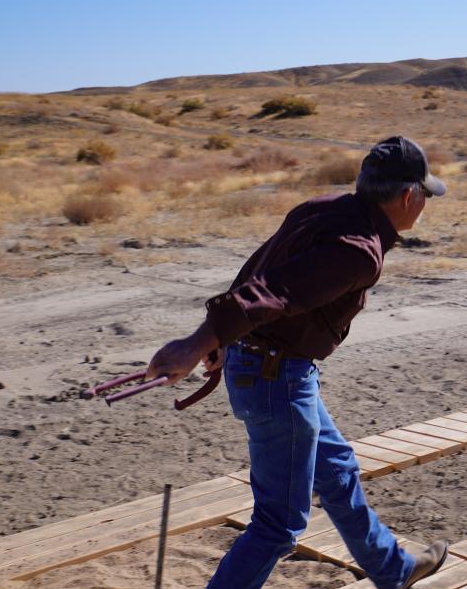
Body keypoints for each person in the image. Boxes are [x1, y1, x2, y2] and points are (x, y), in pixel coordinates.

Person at [147, 136, 449, 589]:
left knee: (338, 469)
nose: (424, 204)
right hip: (276, 378)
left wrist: (224, 338)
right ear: (409, 195)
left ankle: (394, 569)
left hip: (276, 370)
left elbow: (258, 274)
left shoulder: (324, 207)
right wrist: (200, 341)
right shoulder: (359, 248)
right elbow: (275, 292)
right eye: (425, 195)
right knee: (279, 524)